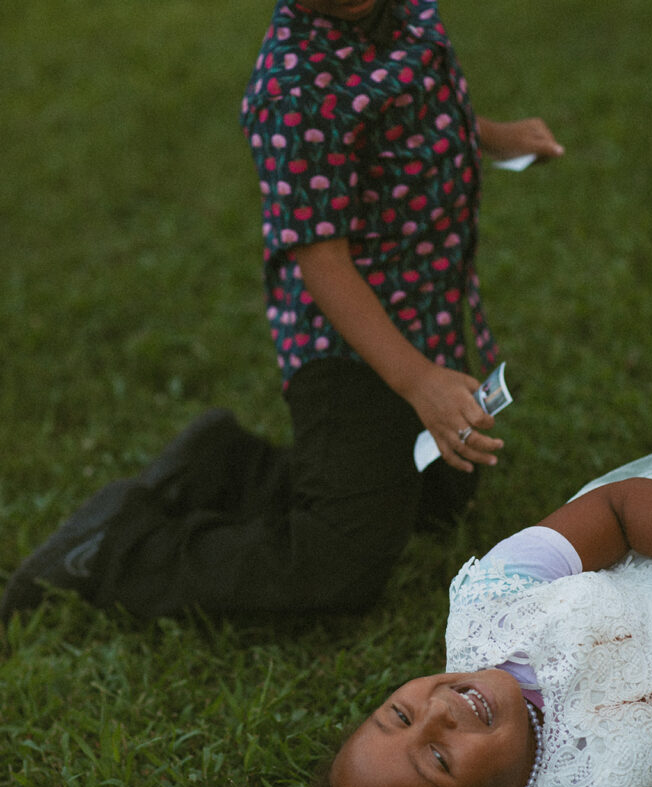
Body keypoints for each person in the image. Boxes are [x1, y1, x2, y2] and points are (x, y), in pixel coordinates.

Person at [0, 0, 563, 622]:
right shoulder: (293, 90)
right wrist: (418, 381)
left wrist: (495, 137)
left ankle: (226, 462)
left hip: (426, 309)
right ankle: (116, 550)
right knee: (339, 565)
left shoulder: (406, 11)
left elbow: (421, 106)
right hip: (349, 347)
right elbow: (322, 261)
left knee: (438, 499)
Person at [305, 445, 652, 787]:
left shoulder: (491, 601)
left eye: (401, 715)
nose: (437, 712)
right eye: (439, 759)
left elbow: (619, 508)